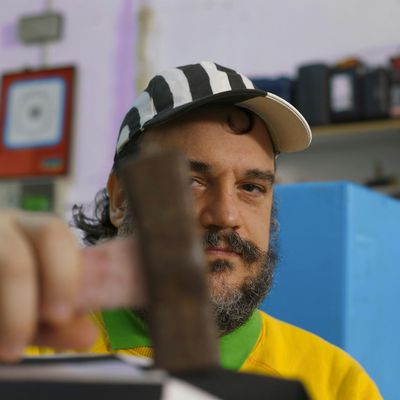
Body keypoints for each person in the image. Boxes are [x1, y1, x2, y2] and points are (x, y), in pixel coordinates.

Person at [0, 62, 381, 399]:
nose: (225, 215)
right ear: (120, 199)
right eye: (190, 181)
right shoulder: (24, 353)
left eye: (251, 187)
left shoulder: (333, 384)